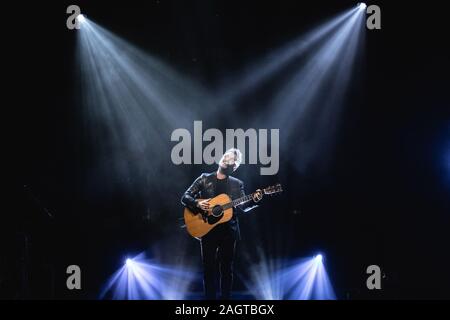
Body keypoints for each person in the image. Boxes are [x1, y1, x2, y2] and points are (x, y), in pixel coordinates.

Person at [181, 148, 262, 300]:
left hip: (228, 232)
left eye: (230, 159)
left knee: (226, 270)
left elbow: (243, 206)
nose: (225, 159)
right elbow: (185, 197)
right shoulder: (204, 178)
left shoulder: (237, 184)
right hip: (207, 228)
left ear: (235, 166)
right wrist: (197, 204)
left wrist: (254, 200)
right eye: (225, 156)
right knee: (208, 270)